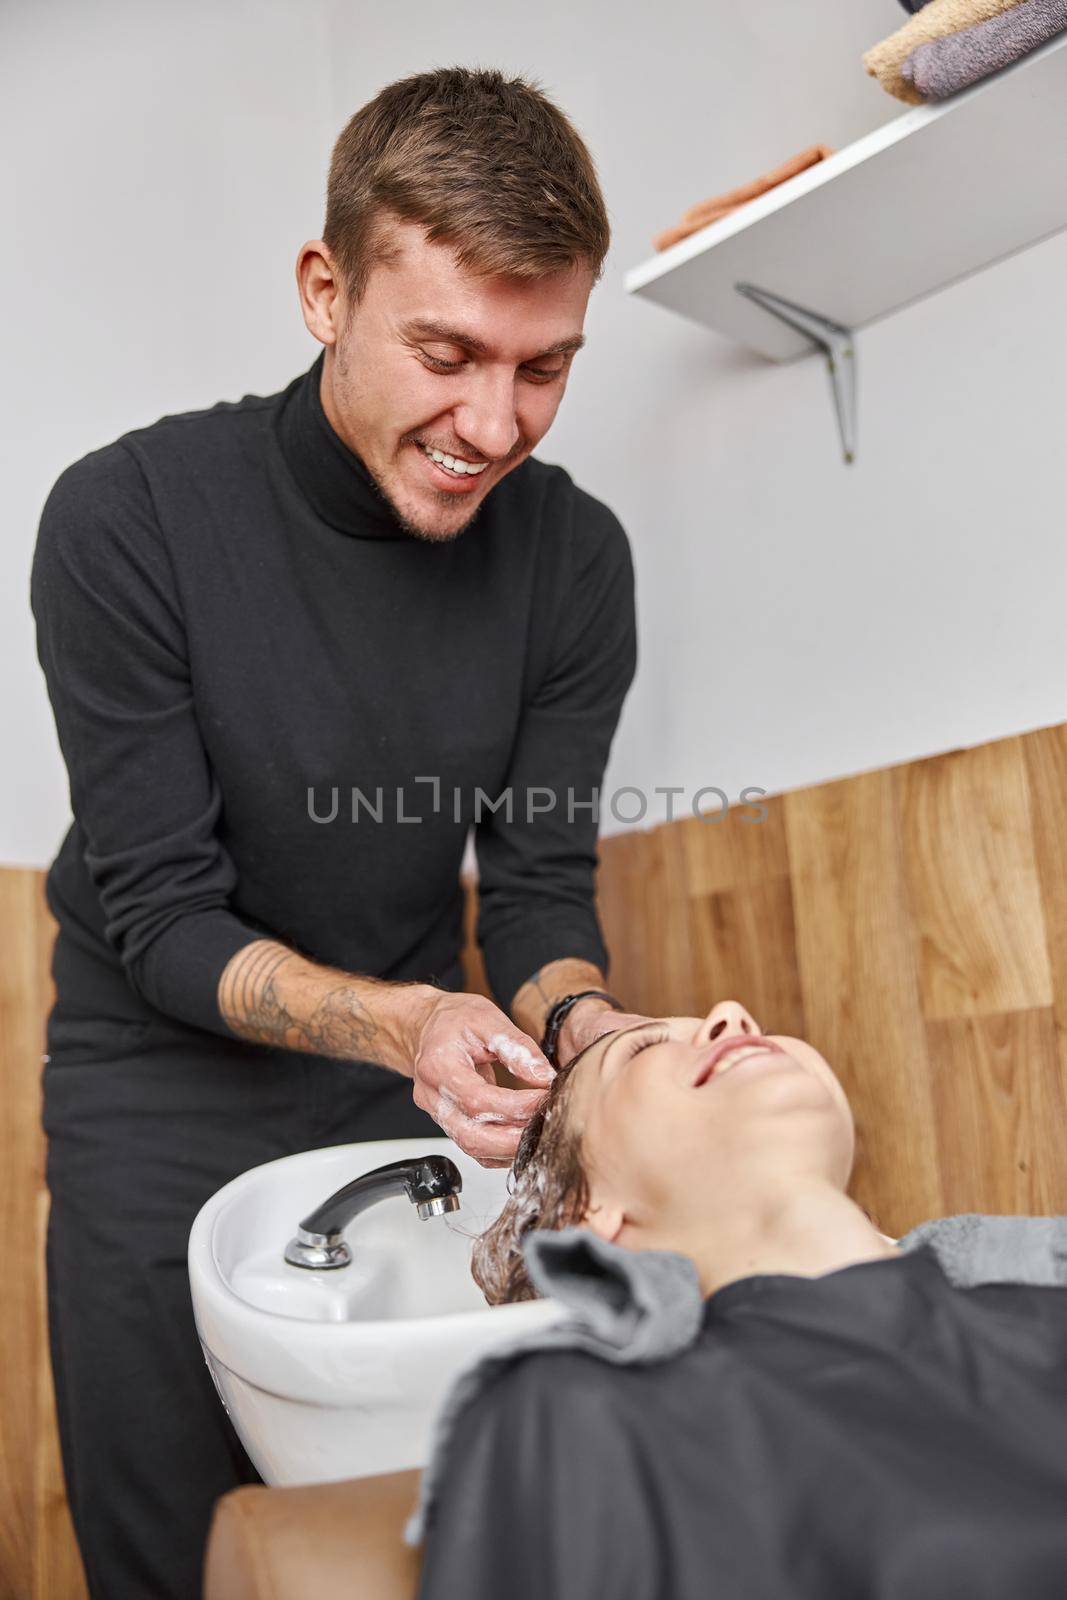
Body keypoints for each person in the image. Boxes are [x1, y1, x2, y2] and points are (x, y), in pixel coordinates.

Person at [30, 67, 648, 1600]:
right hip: (155, 1086)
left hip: (403, 1085)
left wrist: (588, 1031)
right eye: (445, 353)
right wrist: (407, 1025)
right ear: (325, 290)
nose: (490, 422)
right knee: (179, 1552)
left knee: (425, 1537)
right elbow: (164, 918)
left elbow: (536, 888)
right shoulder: (125, 520)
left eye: (543, 367)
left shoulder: (573, 561)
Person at [414, 1000, 1067, 1599]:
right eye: (640, 1050)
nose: (732, 1013)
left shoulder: (1039, 1299)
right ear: (586, 1214)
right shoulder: (577, 1414)